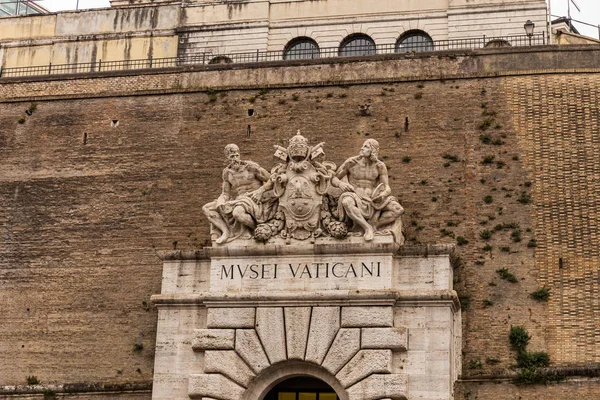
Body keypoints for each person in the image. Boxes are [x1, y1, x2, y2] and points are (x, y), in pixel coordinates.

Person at [334, 139, 404, 243]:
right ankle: (367, 228)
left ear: (373, 150)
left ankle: (374, 225)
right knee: (346, 202)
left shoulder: (380, 166)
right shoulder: (351, 163)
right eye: (363, 146)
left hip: (373, 199)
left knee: (398, 209)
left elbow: (387, 187)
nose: (362, 148)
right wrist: (340, 184)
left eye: (366, 147)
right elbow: (334, 178)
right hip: (355, 195)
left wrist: (383, 194)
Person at [202, 144, 271, 244]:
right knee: (207, 208)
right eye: (232, 157)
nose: (235, 159)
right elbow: (225, 193)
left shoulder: (251, 167)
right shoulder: (227, 173)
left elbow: (271, 179)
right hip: (239, 199)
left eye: (236, 155)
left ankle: (257, 229)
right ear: (227, 159)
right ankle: (225, 231)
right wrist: (221, 201)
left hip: (254, 198)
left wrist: (260, 191)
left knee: (237, 213)